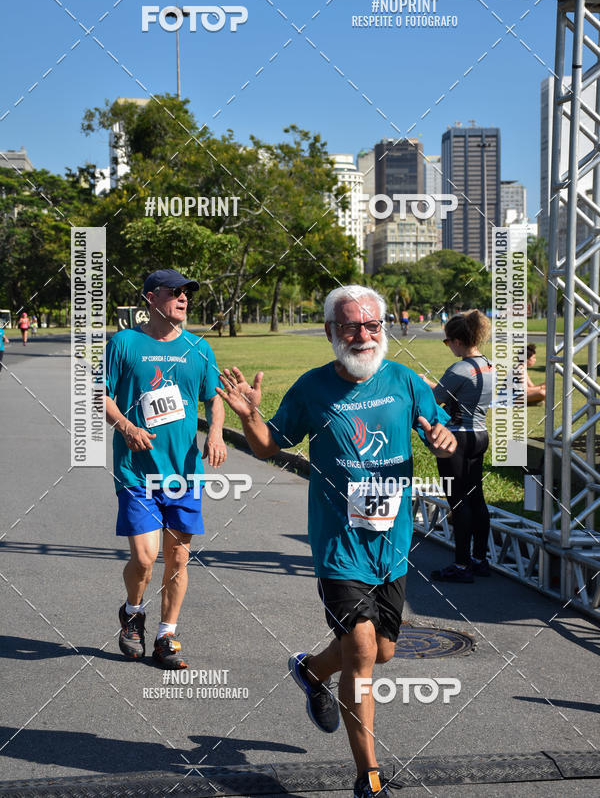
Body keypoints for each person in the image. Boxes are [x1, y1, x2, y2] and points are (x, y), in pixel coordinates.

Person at [216, 285, 456, 798]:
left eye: (372, 325)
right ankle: (368, 774)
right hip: (337, 547)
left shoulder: (405, 380)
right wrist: (250, 416)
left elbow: (440, 430)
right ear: (331, 331)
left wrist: (444, 438)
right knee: (364, 650)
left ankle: (311, 669)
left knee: (383, 652)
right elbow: (267, 448)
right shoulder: (311, 388)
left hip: (391, 544)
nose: (364, 335)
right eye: (351, 326)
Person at [105, 268, 227, 669]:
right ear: (151, 299)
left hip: (183, 472)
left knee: (177, 559)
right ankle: (133, 611)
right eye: (175, 292)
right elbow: (100, 395)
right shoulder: (124, 343)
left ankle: (165, 635)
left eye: (187, 292)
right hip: (137, 469)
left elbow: (215, 398)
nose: (184, 298)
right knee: (145, 557)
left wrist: (216, 434)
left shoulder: (198, 348)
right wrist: (125, 425)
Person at [420, 310, 493, 583]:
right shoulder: (487, 364)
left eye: (447, 341)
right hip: (479, 434)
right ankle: (479, 559)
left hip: (456, 440)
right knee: (476, 498)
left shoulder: (459, 368)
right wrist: (434, 385)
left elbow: (435, 400)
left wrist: (422, 385)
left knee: (458, 501)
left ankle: (461, 566)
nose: (448, 346)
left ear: (458, 340)